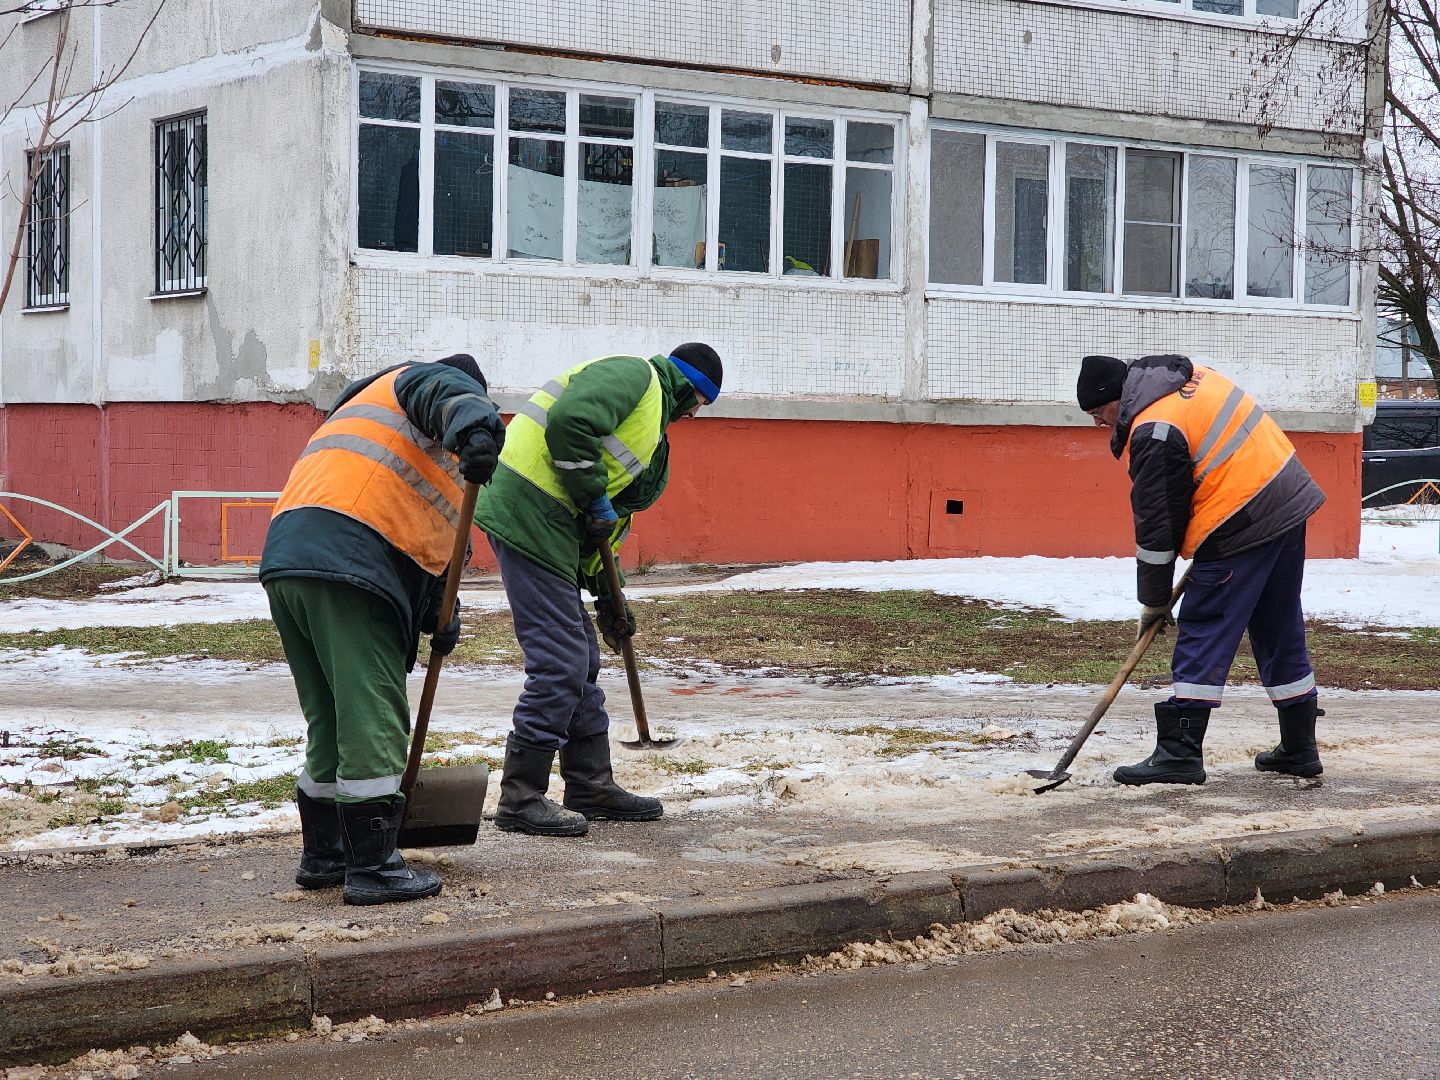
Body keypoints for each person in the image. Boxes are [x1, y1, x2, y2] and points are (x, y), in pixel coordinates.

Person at [260, 353, 505, 904]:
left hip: (291, 559)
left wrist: (441, 616)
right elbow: (451, 392)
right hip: (353, 559)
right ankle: (372, 864)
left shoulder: (369, 418)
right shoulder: (423, 384)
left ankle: (326, 854)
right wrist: (477, 424)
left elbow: (431, 539)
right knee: (372, 712)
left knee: (332, 715)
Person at [475, 343, 723, 836]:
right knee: (562, 660)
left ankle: (589, 784)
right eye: (700, 403)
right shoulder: (637, 379)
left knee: (582, 657)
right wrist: (592, 495)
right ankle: (520, 797)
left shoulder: (650, 424)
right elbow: (570, 421)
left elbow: (600, 532)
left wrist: (611, 597)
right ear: (692, 390)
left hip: (550, 521)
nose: (694, 415)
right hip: (530, 511)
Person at [1077, 353, 1326, 786]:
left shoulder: (1154, 429)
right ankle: (1299, 747)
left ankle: (1179, 755)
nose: (1101, 424)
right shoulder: (1187, 381)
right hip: (1287, 500)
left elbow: (1157, 527)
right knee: (1277, 622)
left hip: (1242, 518)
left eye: (1100, 413)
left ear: (1118, 397)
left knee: (1206, 624)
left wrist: (1153, 603)